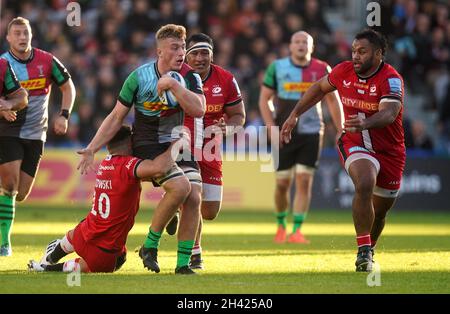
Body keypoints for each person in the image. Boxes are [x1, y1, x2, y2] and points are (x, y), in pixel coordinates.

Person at [77, 24, 206, 274]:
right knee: (180, 187)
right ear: (159, 52)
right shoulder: (138, 77)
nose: (182, 53)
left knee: (193, 197)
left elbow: (199, 109)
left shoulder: (190, 76)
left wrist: (175, 86)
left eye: (183, 47)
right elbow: (116, 116)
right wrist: (93, 147)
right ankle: (150, 245)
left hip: (178, 141)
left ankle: (182, 265)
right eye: (175, 47)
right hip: (148, 144)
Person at [281, 29, 406, 272]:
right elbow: (318, 89)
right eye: (353, 51)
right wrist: (294, 114)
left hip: (390, 151)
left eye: (362, 52)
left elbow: (390, 113)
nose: (356, 56)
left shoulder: (391, 79)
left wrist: (367, 122)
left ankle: (369, 250)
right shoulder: (342, 71)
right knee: (365, 181)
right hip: (354, 141)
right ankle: (363, 250)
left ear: (379, 54)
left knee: (380, 213)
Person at [27, 125, 180, 273]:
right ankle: (46, 268)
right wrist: (177, 144)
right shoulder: (128, 166)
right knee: (104, 263)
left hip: (84, 232)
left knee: (80, 234)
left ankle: (51, 257)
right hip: (104, 250)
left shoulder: (106, 163)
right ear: (130, 142)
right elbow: (159, 168)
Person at [0, 17, 75, 256]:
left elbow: (67, 86)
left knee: (20, 194)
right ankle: (4, 243)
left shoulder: (47, 60)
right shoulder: (3, 63)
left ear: (31, 35)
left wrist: (64, 114)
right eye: (17, 33)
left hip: (35, 133)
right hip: (7, 130)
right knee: (9, 185)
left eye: (26, 33)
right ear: (8, 38)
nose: (22, 37)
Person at [258, 31, 343, 244]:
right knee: (282, 184)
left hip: (312, 132)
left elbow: (333, 101)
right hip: (283, 134)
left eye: (305, 42)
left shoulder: (323, 69)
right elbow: (264, 99)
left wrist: (340, 128)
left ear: (311, 47)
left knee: (304, 180)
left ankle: (296, 230)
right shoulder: (277, 68)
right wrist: (271, 128)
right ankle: (280, 225)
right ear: (290, 46)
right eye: (297, 41)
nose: (301, 45)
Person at [181, 33, 246, 269]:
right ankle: (194, 252)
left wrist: (227, 129)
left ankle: (179, 209)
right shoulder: (177, 76)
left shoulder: (226, 80)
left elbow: (239, 115)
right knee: (192, 197)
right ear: (186, 55)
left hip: (210, 149)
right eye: (195, 53)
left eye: (204, 53)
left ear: (212, 54)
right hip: (184, 146)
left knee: (209, 211)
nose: (200, 58)